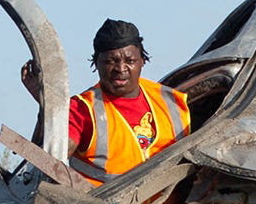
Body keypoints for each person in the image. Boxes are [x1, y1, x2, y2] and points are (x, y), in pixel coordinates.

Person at [58, 18, 188, 180]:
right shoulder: (81, 108)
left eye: (130, 61)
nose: (120, 69)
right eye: (110, 61)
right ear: (96, 63)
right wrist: (48, 108)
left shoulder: (173, 102)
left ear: (143, 61)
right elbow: (52, 161)